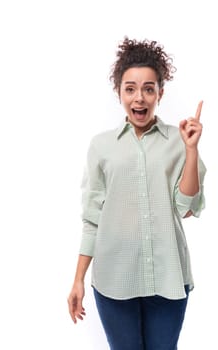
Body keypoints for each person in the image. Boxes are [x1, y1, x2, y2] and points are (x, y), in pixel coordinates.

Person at [67, 37, 206, 350]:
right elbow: (92, 217)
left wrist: (191, 150)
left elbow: (186, 206)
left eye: (148, 88)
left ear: (160, 92)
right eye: (130, 88)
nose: (139, 98)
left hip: (168, 279)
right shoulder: (101, 146)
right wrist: (78, 279)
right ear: (119, 92)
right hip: (114, 280)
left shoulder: (178, 139)